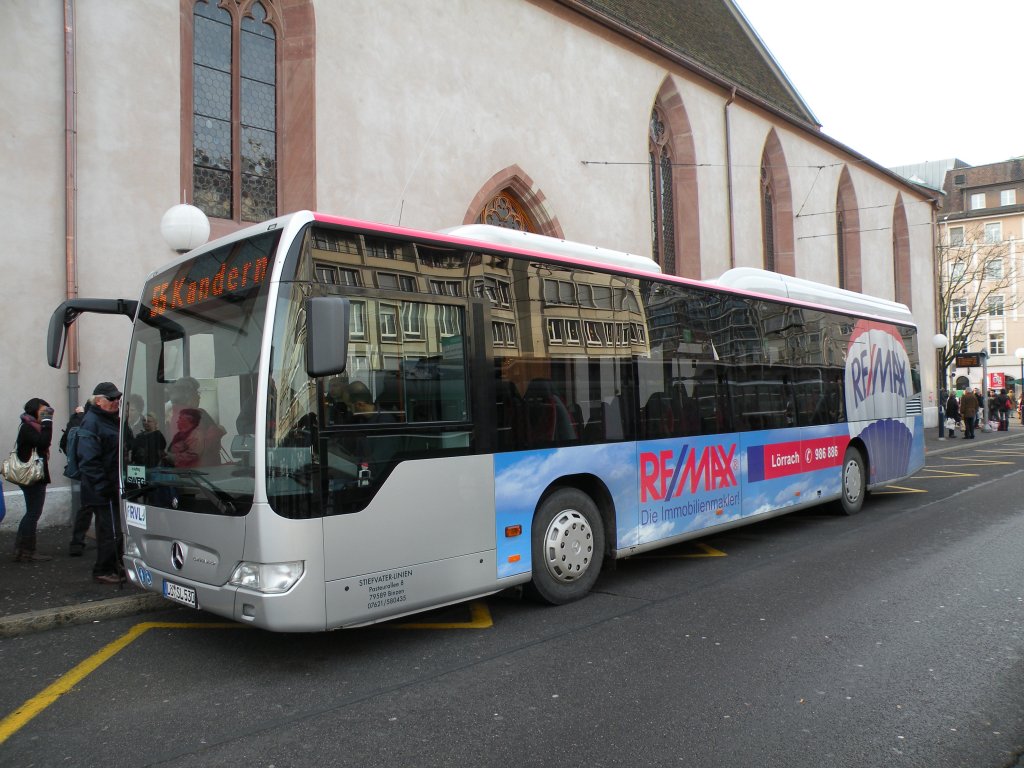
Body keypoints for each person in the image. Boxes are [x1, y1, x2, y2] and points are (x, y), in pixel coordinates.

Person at [77, 382, 124, 584]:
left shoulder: (110, 419)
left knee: (113, 530)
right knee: (110, 531)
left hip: (111, 485)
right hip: (102, 489)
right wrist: (103, 486)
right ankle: (102, 570)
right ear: (98, 401)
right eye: (111, 399)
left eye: (117, 398)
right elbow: (88, 460)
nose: (116, 402)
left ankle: (113, 565)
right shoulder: (92, 421)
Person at [12, 397, 55, 562]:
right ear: (34, 410)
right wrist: (47, 422)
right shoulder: (28, 428)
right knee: (33, 513)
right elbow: (43, 442)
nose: (46, 414)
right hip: (32, 477)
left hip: (34, 476)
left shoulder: (31, 426)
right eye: (43, 411)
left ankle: (22, 548)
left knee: (32, 512)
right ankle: (26, 550)